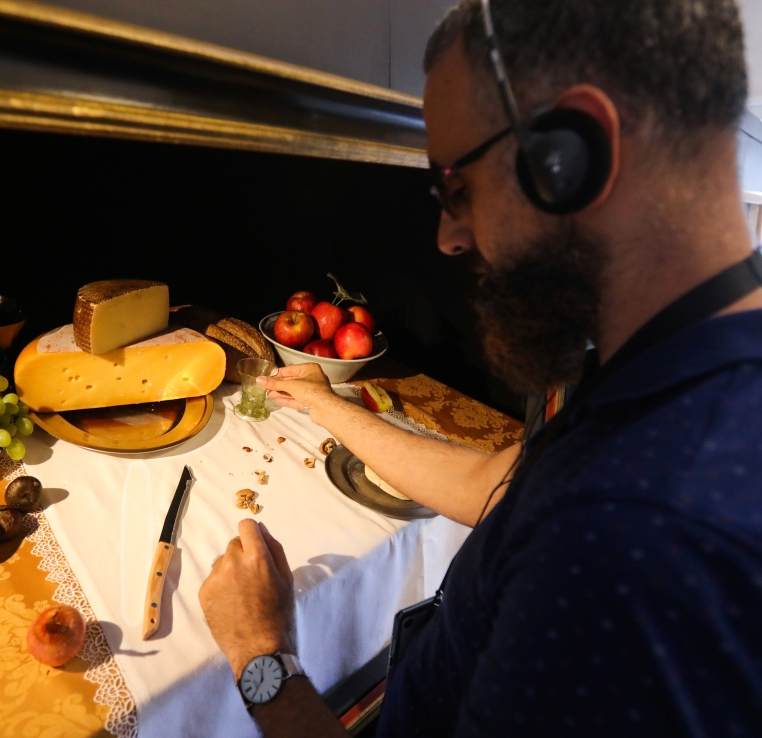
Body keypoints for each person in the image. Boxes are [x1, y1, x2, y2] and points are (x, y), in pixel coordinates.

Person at [199, 0, 762, 734]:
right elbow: (500, 488)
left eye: (455, 187)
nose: (449, 238)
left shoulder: (628, 540)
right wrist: (325, 404)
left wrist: (261, 656)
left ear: (573, 150)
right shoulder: (677, 368)